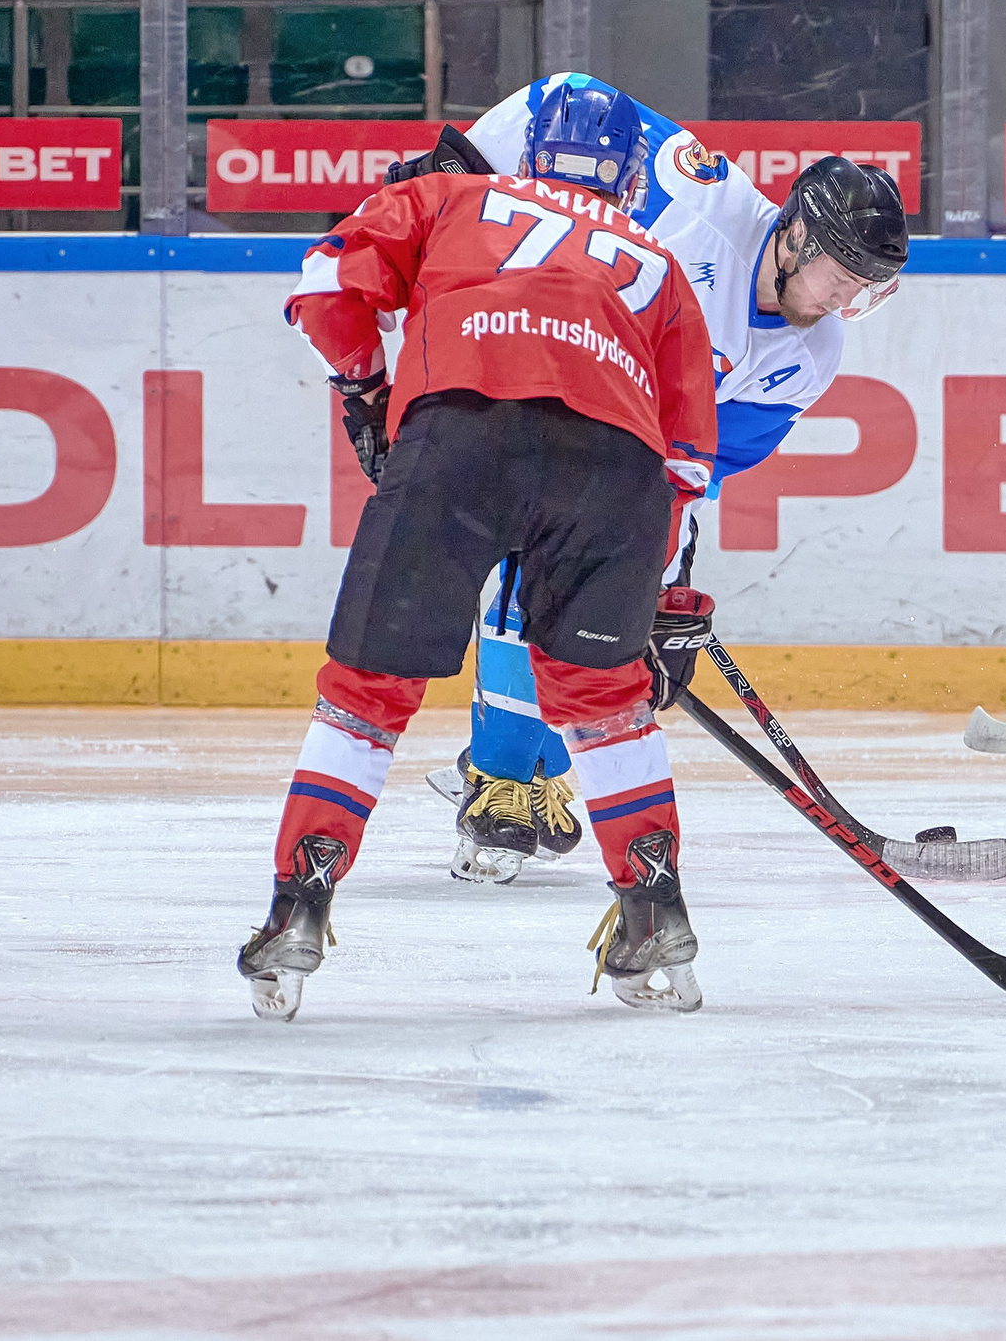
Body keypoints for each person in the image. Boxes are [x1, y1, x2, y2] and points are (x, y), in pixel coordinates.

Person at [233, 79, 720, 1020]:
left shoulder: (449, 195)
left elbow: (328, 285)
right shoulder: (659, 263)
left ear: (531, 150)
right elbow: (689, 460)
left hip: (462, 431)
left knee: (370, 693)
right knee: (606, 707)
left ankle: (300, 906)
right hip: (615, 472)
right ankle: (654, 909)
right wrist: (659, 594)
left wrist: (366, 389)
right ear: (626, 177)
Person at [422, 74, 910, 884]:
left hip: (633, 431)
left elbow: (699, 468)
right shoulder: (700, 207)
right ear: (793, 238)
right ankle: (499, 782)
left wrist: (667, 585)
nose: (845, 297)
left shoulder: (812, 357)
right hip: (543, 355)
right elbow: (572, 91)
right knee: (535, 547)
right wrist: (466, 160)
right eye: (841, 275)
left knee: (605, 592)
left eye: (864, 288)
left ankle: (526, 763)